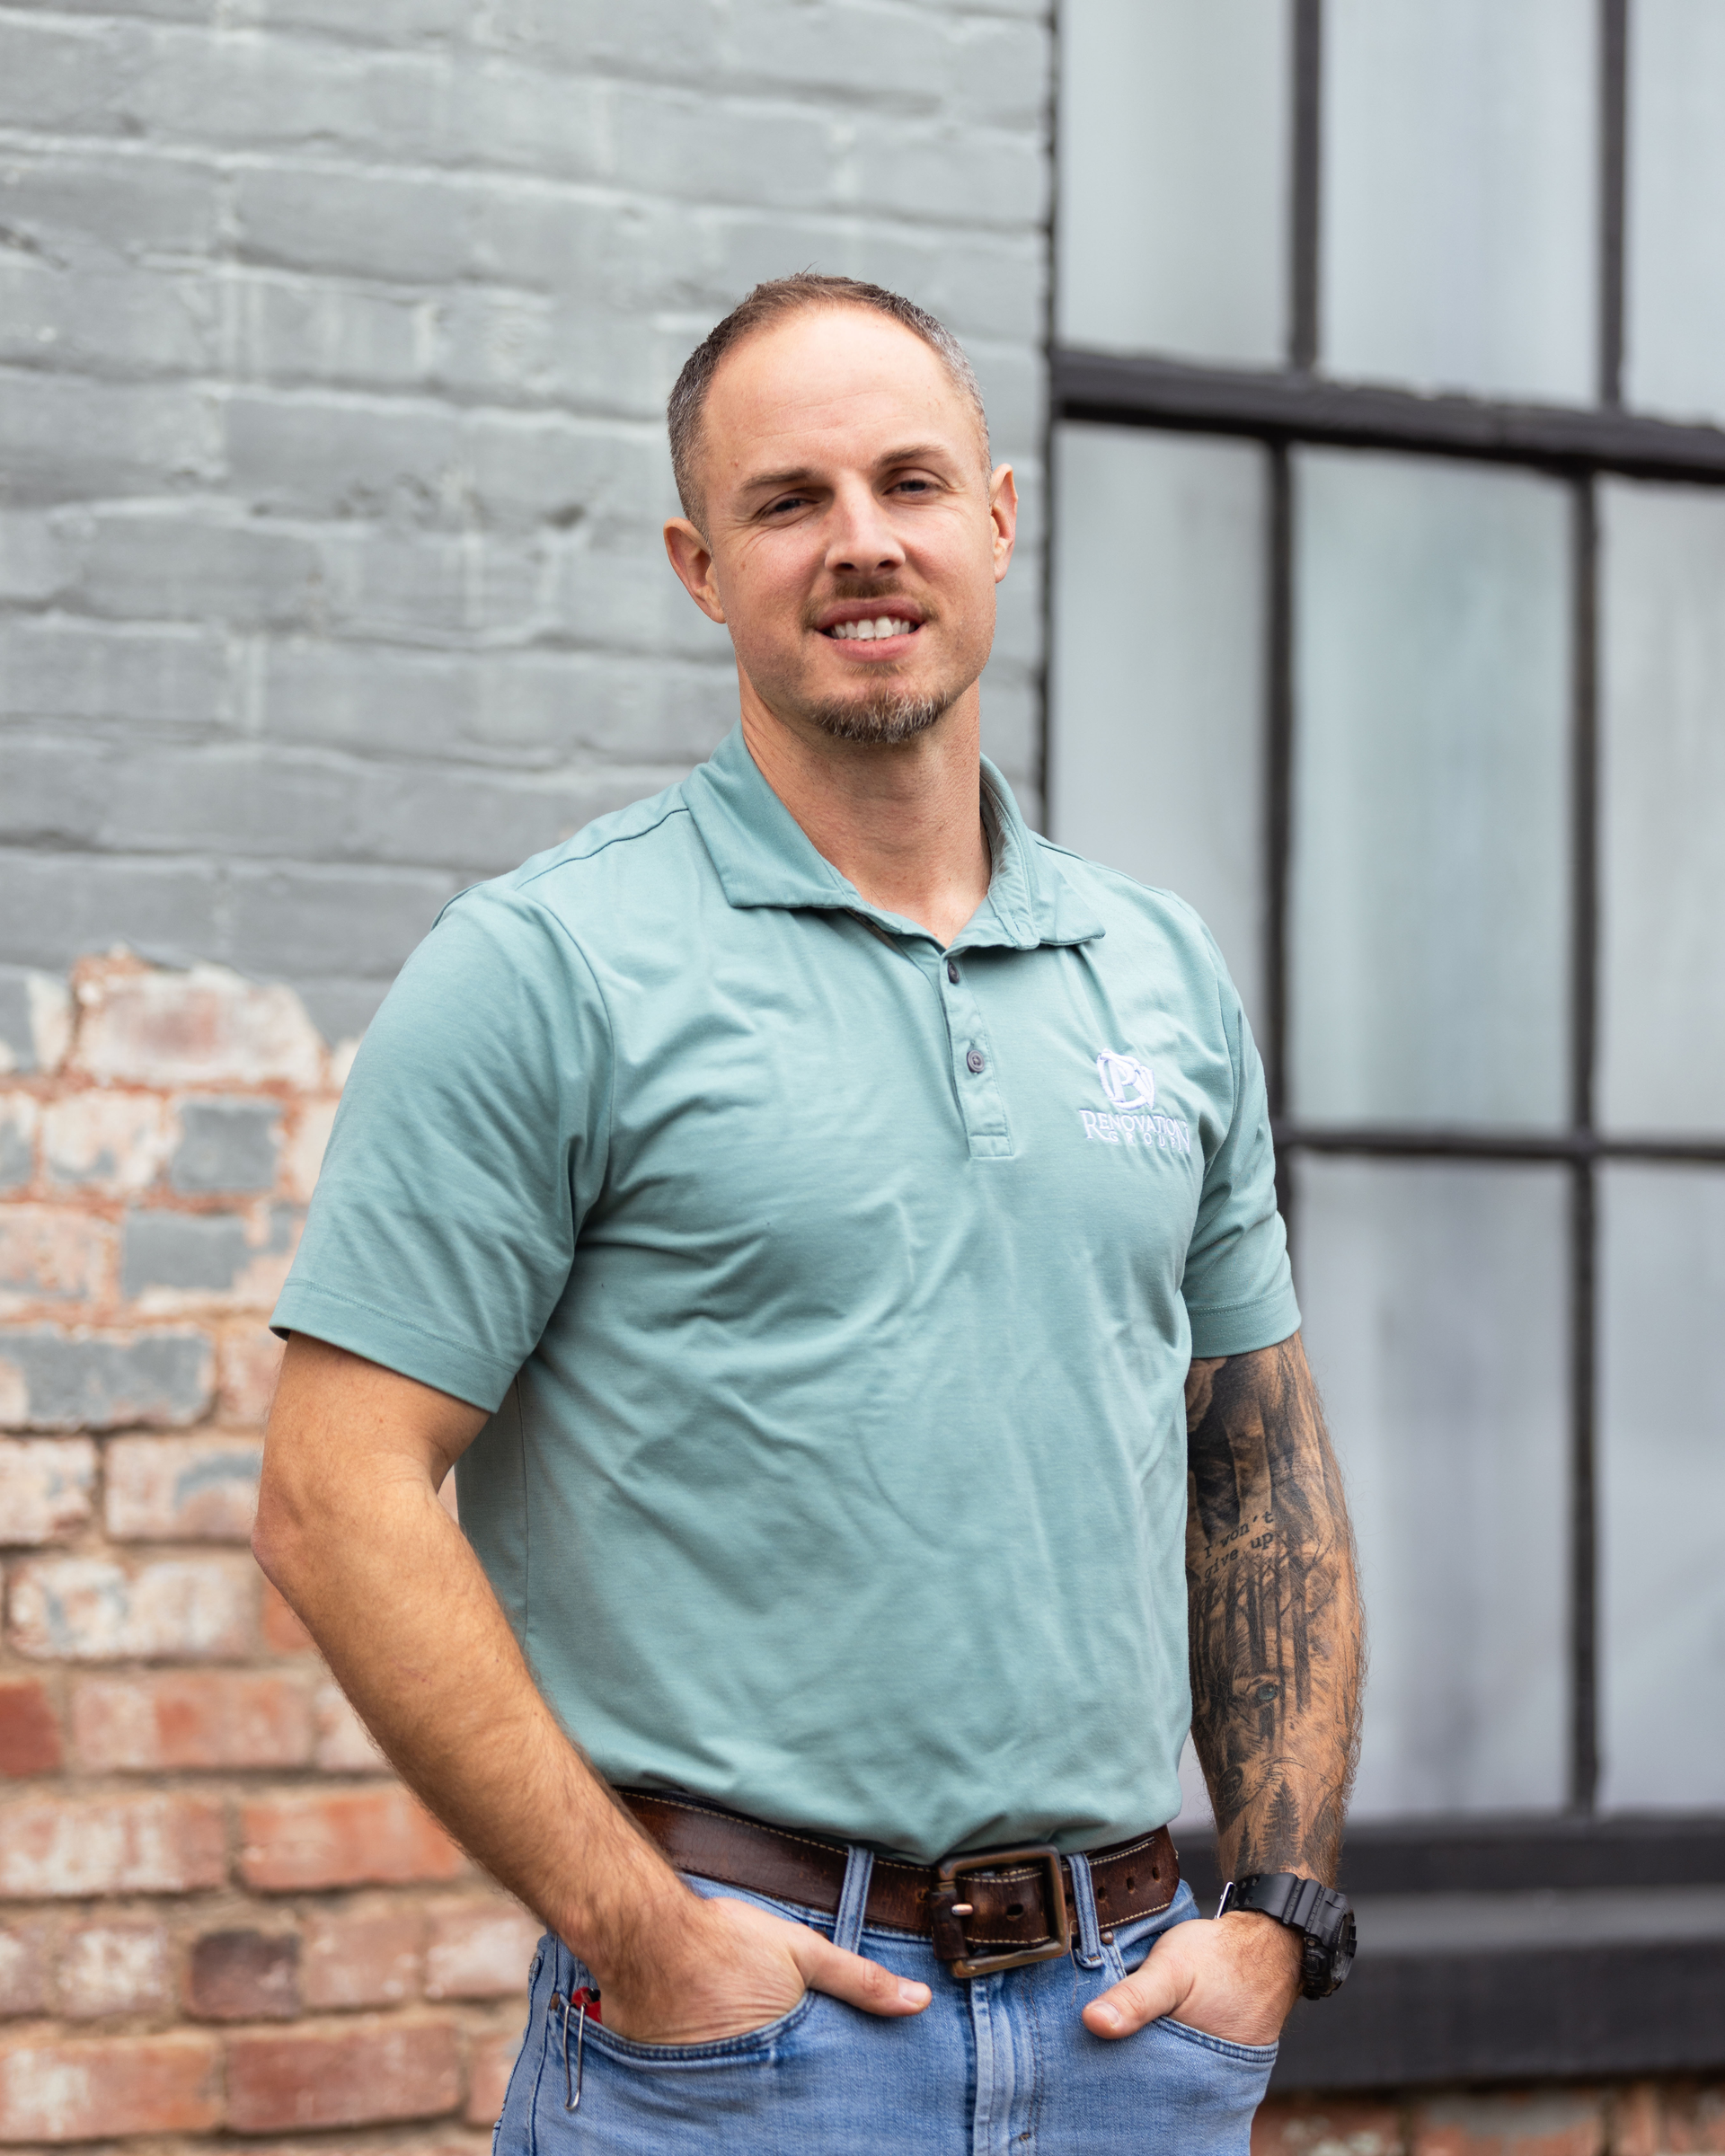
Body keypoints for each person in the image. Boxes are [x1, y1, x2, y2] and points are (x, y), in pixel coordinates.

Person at [256, 273, 1364, 2154]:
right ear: (702, 565)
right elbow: (335, 1491)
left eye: (911, 483)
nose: (863, 544)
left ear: (998, 518)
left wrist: (1271, 1918)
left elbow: (1253, 1462)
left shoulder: (1159, 971)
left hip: (1129, 2029)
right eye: (789, 503)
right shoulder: (551, 967)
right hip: (747, 2052)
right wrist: (642, 1935)